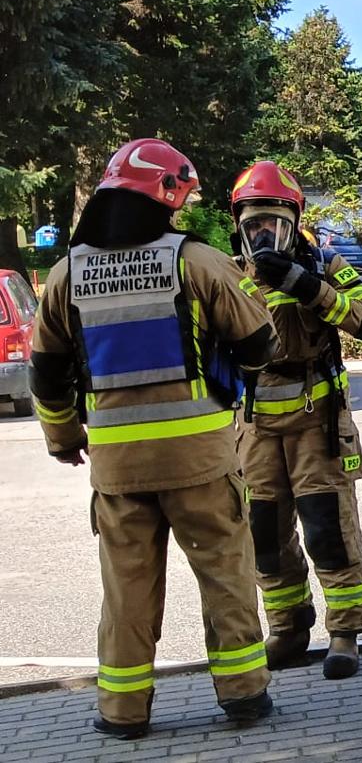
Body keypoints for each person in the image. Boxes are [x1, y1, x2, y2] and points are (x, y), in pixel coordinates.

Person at [29, 138, 277, 739]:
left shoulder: (66, 274)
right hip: (201, 460)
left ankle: (123, 712)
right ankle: (244, 698)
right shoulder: (196, 261)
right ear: (165, 193)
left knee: (127, 592)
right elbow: (259, 344)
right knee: (226, 577)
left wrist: (63, 437)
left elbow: (45, 371)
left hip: (117, 470)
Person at [230, 161, 362, 680]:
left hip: (317, 422)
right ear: (240, 226)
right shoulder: (230, 274)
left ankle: (344, 633)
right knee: (265, 535)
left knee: (327, 529)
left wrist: (305, 284)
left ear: (294, 221)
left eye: (274, 224)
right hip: (256, 426)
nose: (264, 236)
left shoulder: (323, 262)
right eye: (254, 227)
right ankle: (288, 627)